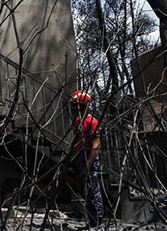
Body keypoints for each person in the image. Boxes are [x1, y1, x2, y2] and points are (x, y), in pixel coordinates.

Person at [69, 90, 104, 229]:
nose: (71, 106)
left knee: (92, 190)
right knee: (84, 190)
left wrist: (88, 164)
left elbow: (96, 144)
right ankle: (91, 220)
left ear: (80, 105)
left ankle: (97, 222)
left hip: (87, 157)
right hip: (78, 156)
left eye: (73, 103)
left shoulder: (91, 121)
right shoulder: (79, 120)